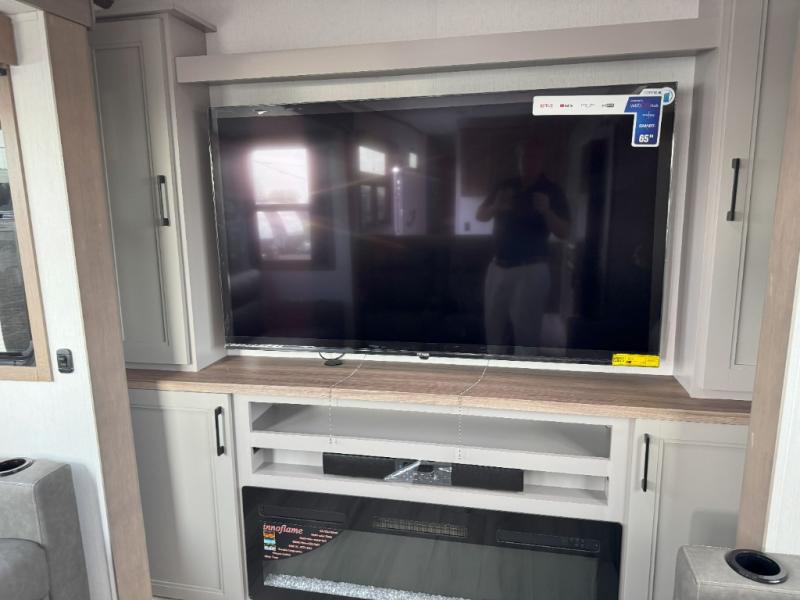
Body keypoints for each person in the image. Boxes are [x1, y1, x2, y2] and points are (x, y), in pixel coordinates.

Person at [476, 139, 570, 354]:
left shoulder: (552, 190)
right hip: (497, 267)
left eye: (534, 157)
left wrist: (547, 211)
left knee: (526, 336)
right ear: (518, 159)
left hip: (531, 271)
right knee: (493, 330)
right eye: (524, 156)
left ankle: (522, 373)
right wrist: (496, 206)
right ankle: (493, 371)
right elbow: (480, 215)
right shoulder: (504, 186)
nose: (528, 161)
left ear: (541, 160)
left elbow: (564, 232)